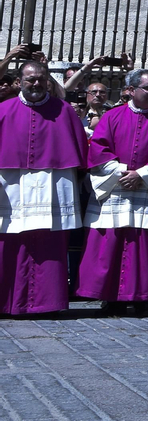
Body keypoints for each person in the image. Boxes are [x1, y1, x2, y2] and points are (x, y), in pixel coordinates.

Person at [78, 68, 148, 314]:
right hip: (117, 187)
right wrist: (122, 172)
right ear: (131, 91)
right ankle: (110, 297)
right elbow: (99, 148)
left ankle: (144, 297)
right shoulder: (112, 116)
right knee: (111, 242)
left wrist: (142, 174)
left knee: (147, 245)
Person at [0, 60, 88, 315]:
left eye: (40, 78)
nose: (36, 83)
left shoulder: (64, 111)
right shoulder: (3, 110)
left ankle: (47, 303)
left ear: (48, 80)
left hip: (54, 183)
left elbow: (80, 151)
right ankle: (6, 302)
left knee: (50, 243)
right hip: (11, 184)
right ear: (19, 81)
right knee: (9, 241)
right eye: (30, 79)